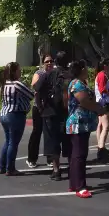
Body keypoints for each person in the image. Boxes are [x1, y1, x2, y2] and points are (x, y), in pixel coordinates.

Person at [66, 60, 104, 198]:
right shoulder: (76, 84)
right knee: (79, 155)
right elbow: (84, 101)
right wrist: (98, 108)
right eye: (86, 68)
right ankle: (80, 186)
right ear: (81, 69)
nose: (88, 70)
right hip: (77, 123)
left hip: (84, 123)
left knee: (79, 154)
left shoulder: (82, 83)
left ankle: (74, 183)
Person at [34, 51, 71, 181]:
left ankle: (56, 170)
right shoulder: (70, 76)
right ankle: (72, 168)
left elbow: (36, 90)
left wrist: (40, 108)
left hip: (49, 112)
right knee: (69, 141)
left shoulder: (48, 75)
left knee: (52, 142)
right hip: (67, 113)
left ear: (56, 61)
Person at [0, 62, 34, 176]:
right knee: (13, 142)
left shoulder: (4, 84)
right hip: (15, 115)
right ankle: (10, 168)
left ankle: (2, 166)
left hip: (4, 114)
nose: (20, 71)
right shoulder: (17, 84)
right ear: (14, 72)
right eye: (19, 70)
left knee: (8, 141)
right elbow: (30, 95)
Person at [26, 55, 54, 168]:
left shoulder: (55, 74)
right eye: (47, 61)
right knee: (37, 132)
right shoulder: (39, 73)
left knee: (50, 134)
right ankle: (31, 159)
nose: (49, 63)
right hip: (38, 108)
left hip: (49, 108)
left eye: (51, 61)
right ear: (43, 63)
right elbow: (34, 86)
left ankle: (50, 159)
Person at [95, 58, 109, 161]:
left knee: (101, 125)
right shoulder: (102, 75)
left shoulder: (100, 75)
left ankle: (101, 146)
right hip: (104, 103)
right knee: (106, 126)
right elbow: (103, 90)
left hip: (101, 103)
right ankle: (101, 149)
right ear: (105, 66)